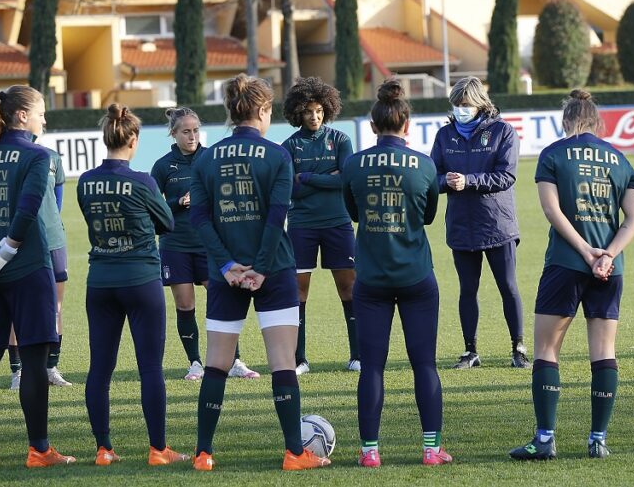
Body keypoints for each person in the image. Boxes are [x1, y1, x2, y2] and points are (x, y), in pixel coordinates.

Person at [188, 74, 329, 472]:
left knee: (216, 363)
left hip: (226, 276)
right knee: (282, 362)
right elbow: (276, 216)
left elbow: (199, 219)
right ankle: (294, 454)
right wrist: (262, 268)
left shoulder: (206, 158)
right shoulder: (277, 155)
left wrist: (226, 265)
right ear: (264, 110)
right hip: (275, 271)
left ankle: (203, 454)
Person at [509, 90, 634, 460]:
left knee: (546, 349)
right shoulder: (618, 158)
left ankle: (545, 439)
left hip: (565, 263)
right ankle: (598, 440)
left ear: (566, 120)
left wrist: (585, 251)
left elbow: (552, 211)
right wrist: (607, 254)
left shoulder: (553, 154)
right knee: (604, 351)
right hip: (610, 269)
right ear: (597, 121)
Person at [0, 86, 76, 469]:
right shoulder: (37, 155)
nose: (44, 119)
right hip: (28, 267)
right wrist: (5, 254)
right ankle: (39, 451)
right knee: (35, 361)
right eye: (40, 112)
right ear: (22, 115)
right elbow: (28, 210)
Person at [342, 79, 452, 467]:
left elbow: (354, 213)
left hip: (371, 278)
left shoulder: (353, 164)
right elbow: (428, 216)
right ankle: (431, 449)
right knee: (424, 364)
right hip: (416, 276)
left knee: (372, 367)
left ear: (372, 126)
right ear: (407, 125)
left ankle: (370, 451)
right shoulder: (425, 164)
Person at [78, 104, 188, 466]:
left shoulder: (86, 181)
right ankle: (158, 450)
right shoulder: (143, 181)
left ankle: (103, 449)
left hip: (100, 280)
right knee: (150, 367)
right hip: (141, 279)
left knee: (100, 368)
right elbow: (167, 222)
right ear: (133, 140)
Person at [151, 107, 259, 381]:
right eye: (186, 132)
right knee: (185, 305)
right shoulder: (163, 166)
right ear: (173, 134)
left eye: (196, 130)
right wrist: (178, 202)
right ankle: (195, 363)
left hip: (210, 245)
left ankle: (234, 361)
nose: (192, 136)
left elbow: (229, 196)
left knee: (224, 301)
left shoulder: (213, 158)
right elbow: (153, 208)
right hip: (175, 245)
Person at [430, 77, 527, 369]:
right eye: (456, 104)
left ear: (479, 103)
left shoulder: (502, 131)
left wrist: (469, 181)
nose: (460, 109)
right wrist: (444, 181)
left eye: (465, 104)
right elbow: (431, 177)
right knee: (467, 289)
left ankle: (518, 348)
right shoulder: (445, 135)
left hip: (498, 224)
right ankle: (470, 351)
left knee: (508, 286)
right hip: (462, 225)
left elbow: (506, 176)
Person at [279, 77, 359, 375]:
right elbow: (291, 189)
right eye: (308, 112)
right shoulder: (289, 146)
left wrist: (308, 177)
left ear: (327, 110)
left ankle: (358, 355)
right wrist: (328, 177)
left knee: (349, 289)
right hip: (302, 225)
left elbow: (346, 180)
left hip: (338, 222)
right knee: (297, 293)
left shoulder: (340, 140)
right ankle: (299, 359)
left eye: (319, 111)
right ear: (298, 112)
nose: (314, 117)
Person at [8, 128, 71, 389]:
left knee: (55, 306)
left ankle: (50, 368)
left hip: (53, 240)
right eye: (40, 114)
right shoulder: (9, 157)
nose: (43, 120)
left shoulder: (52, 157)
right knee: (18, 309)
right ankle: (18, 372)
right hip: (19, 241)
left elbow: (56, 203)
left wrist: (47, 227)